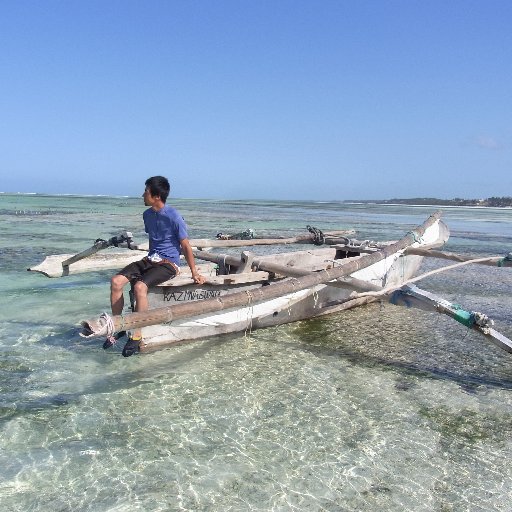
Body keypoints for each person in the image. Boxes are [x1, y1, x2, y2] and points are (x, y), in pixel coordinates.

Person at [104, 176, 206, 357]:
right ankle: (119, 326)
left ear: (157, 196)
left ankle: (136, 334)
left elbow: (185, 245)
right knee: (116, 281)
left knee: (140, 287)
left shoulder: (174, 216)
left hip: (169, 263)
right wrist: (148, 263)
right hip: (151, 259)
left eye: (146, 191)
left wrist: (194, 272)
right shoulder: (147, 215)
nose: (143, 194)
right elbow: (153, 239)